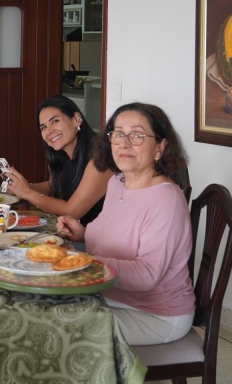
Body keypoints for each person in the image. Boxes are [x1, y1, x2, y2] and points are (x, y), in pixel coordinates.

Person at [57, 102, 195, 346]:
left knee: (59, 330)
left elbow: (147, 275)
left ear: (160, 147)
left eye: (137, 135)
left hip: (154, 314)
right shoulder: (118, 182)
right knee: (38, 307)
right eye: (118, 134)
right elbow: (124, 237)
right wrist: (84, 234)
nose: (124, 143)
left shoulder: (166, 198)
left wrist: (82, 262)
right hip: (109, 294)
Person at [4, 96, 111, 224]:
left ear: (76, 119)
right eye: (43, 127)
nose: (49, 131)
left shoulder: (100, 161)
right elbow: (52, 186)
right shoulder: (60, 156)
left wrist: (27, 193)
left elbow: (72, 210)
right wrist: (23, 186)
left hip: (99, 241)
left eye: (55, 121)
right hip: (73, 233)